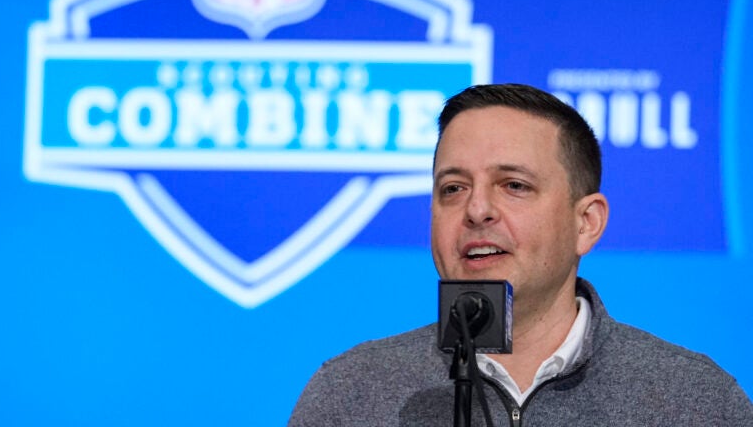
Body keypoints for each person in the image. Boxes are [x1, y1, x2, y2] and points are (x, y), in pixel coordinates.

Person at [288, 84, 753, 426]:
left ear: (586, 223)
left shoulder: (696, 401)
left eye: (514, 185)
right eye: (453, 188)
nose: (476, 210)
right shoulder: (350, 394)